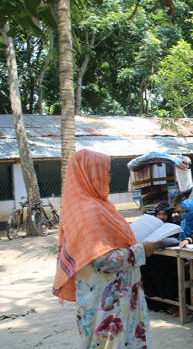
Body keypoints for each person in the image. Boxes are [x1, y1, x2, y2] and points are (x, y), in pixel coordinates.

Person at [53, 149, 158, 348]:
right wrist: (142, 250)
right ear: (89, 173)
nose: (107, 178)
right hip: (108, 303)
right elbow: (104, 260)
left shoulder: (88, 206)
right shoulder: (89, 211)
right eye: (104, 172)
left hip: (112, 297)